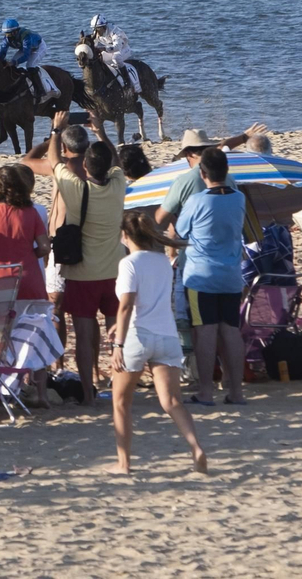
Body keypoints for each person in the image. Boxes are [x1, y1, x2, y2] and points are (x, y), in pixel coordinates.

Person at [22, 114, 127, 406]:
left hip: (83, 272)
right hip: (115, 270)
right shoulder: (118, 183)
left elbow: (53, 160)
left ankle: (89, 397)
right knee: (117, 334)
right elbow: (116, 159)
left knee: (82, 335)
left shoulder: (75, 186)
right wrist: (102, 130)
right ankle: (119, 389)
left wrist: (55, 129)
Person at [109, 211, 207, 475]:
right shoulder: (163, 261)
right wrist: (121, 325)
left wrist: (118, 344)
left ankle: (124, 464)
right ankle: (196, 448)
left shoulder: (129, 263)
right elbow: (152, 300)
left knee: (120, 402)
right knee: (172, 401)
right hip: (166, 336)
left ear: (125, 235)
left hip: (138, 337)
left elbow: (127, 305)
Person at [177, 147, 249, 407]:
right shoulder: (239, 198)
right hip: (230, 274)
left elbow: (180, 230)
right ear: (226, 171)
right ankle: (236, 391)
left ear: (202, 172)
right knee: (230, 330)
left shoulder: (197, 201)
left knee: (205, 330)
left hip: (201, 275)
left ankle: (206, 391)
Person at [153, 124, 266, 233]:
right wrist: (244, 137)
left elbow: (160, 219)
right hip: (230, 248)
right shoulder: (227, 177)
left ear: (188, 154)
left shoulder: (183, 181)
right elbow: (222, 147)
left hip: (194, 249)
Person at [0, 166, 51, 301]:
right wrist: (30, 255)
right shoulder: (30, 212)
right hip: (27, 276)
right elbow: (45, 247)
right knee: (33, 321)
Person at [0, 18, 49, 101]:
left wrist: (14, 62)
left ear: (16, 31)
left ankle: (40, 90)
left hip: (38, 48)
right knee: (12, 65)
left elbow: (26, 55)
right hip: (24, 48)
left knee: (30, 65)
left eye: (9, 34)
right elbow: (2, 53)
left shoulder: (26, 36)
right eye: (6, 34)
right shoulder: (6, 39)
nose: (8, 37)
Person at [88, 15, 133, 90]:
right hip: (111, 50)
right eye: (94, 29)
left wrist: (103, 48)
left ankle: (127, 81)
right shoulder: (97, 32)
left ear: (103, 27)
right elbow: (94, 45)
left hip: (123, 49)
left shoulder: (114, 31)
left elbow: (117, 47)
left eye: (98, 29)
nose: (96, 33)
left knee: (116, 57)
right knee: (99, 58)